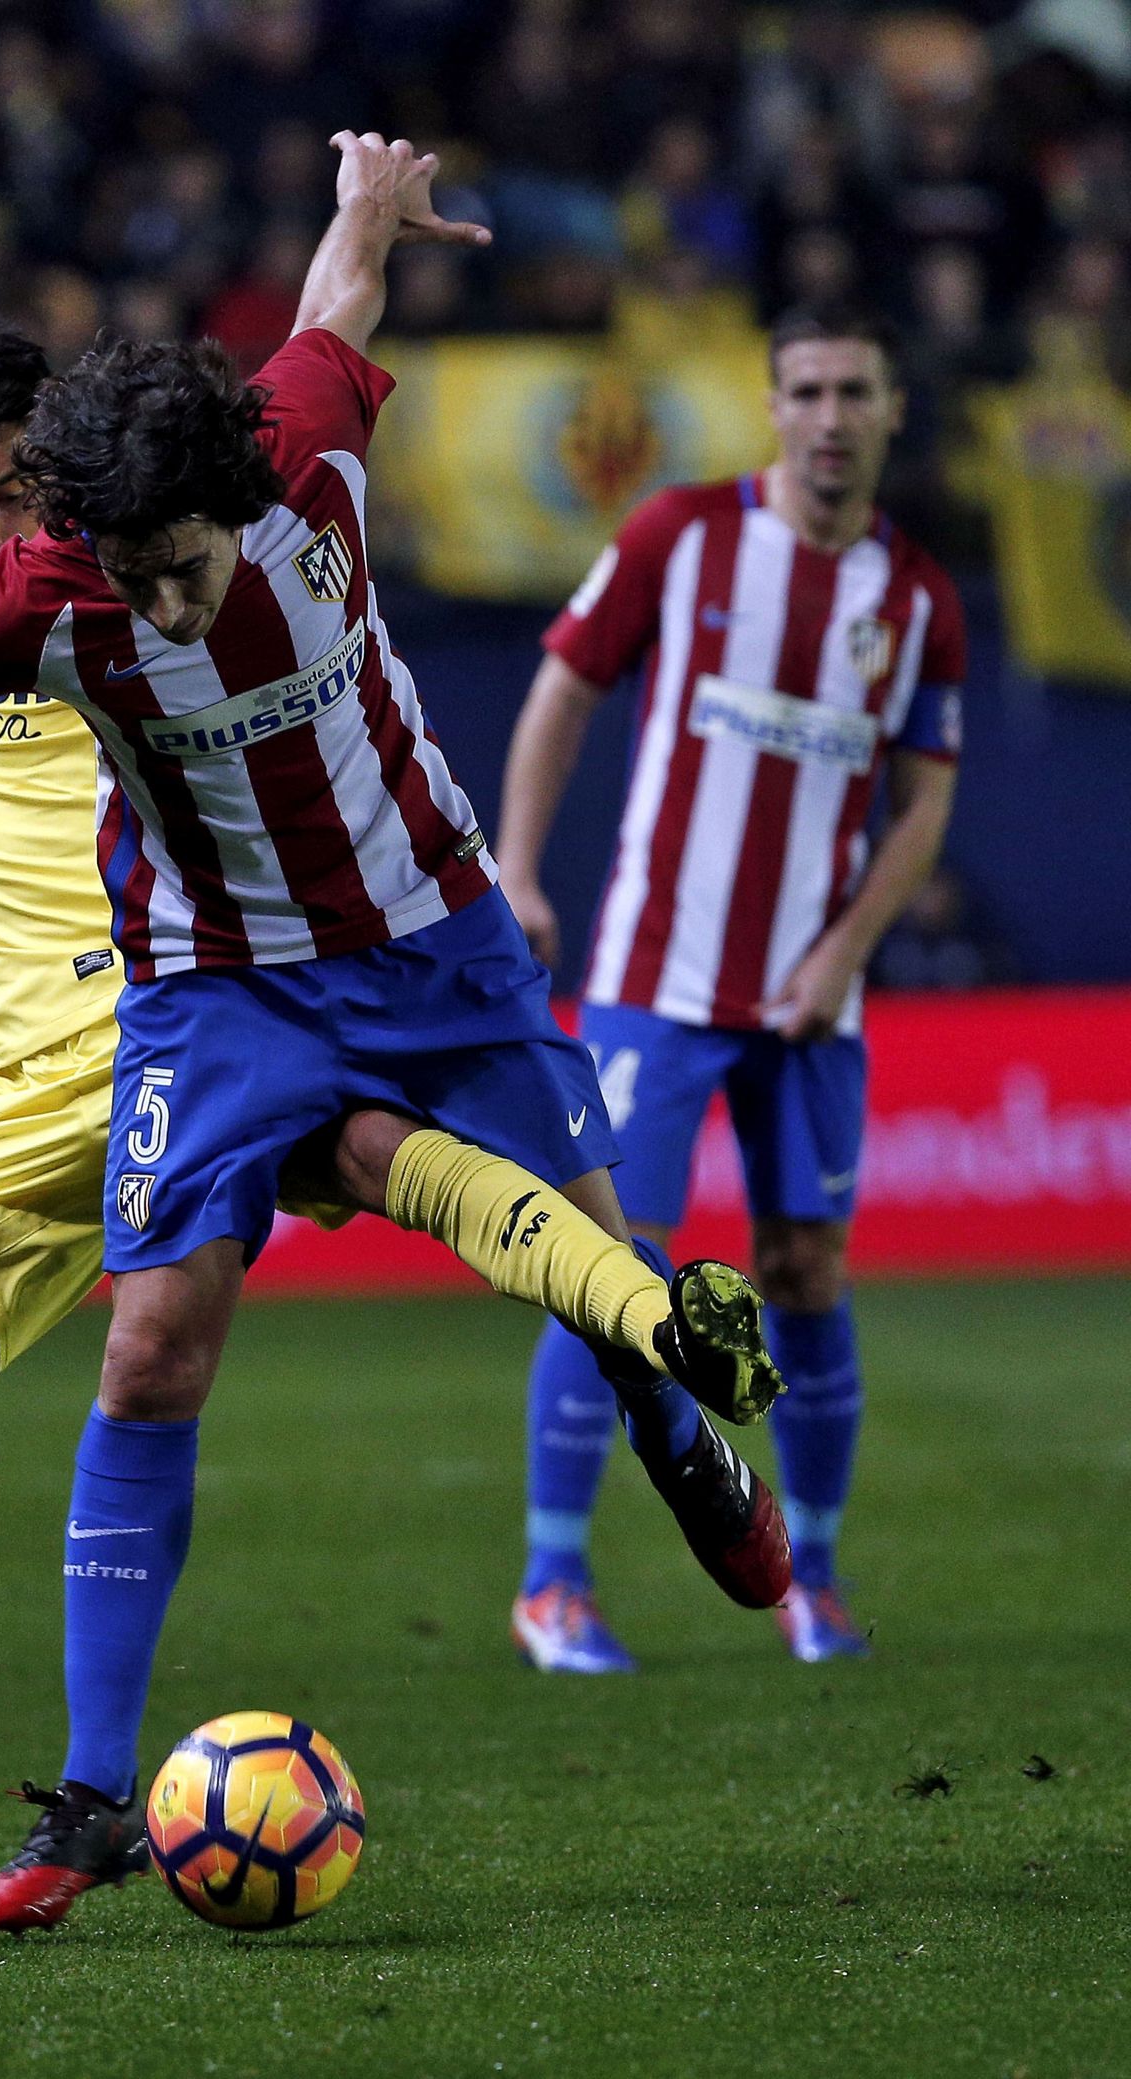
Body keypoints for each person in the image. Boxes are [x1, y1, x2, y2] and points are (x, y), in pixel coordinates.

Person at [0, 135, 790, 1928]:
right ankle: (52, 1801)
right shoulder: (26, 601)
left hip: (422, 935)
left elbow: (342, 296)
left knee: (573, 1274)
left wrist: (366, 197)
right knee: (109, 1365)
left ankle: (669, 1389)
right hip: (208, 989)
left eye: (181, 567)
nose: (163, 602)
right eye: (118, 568)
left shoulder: (301, 439)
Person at [496, 302, 965, 1674]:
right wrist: (518, 865)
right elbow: (564, 686)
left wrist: (845, 952)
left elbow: (927, 803)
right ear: (773, 405)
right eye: (806, 390)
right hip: (659, 975)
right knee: (610, 1265)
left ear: (891, 410)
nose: (830, 418)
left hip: (812, 1001)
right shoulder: (683, 534)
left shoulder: (916, 600)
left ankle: (811, 1577)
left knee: (806, 1270)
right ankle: (553, 1581)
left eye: (855, 391)